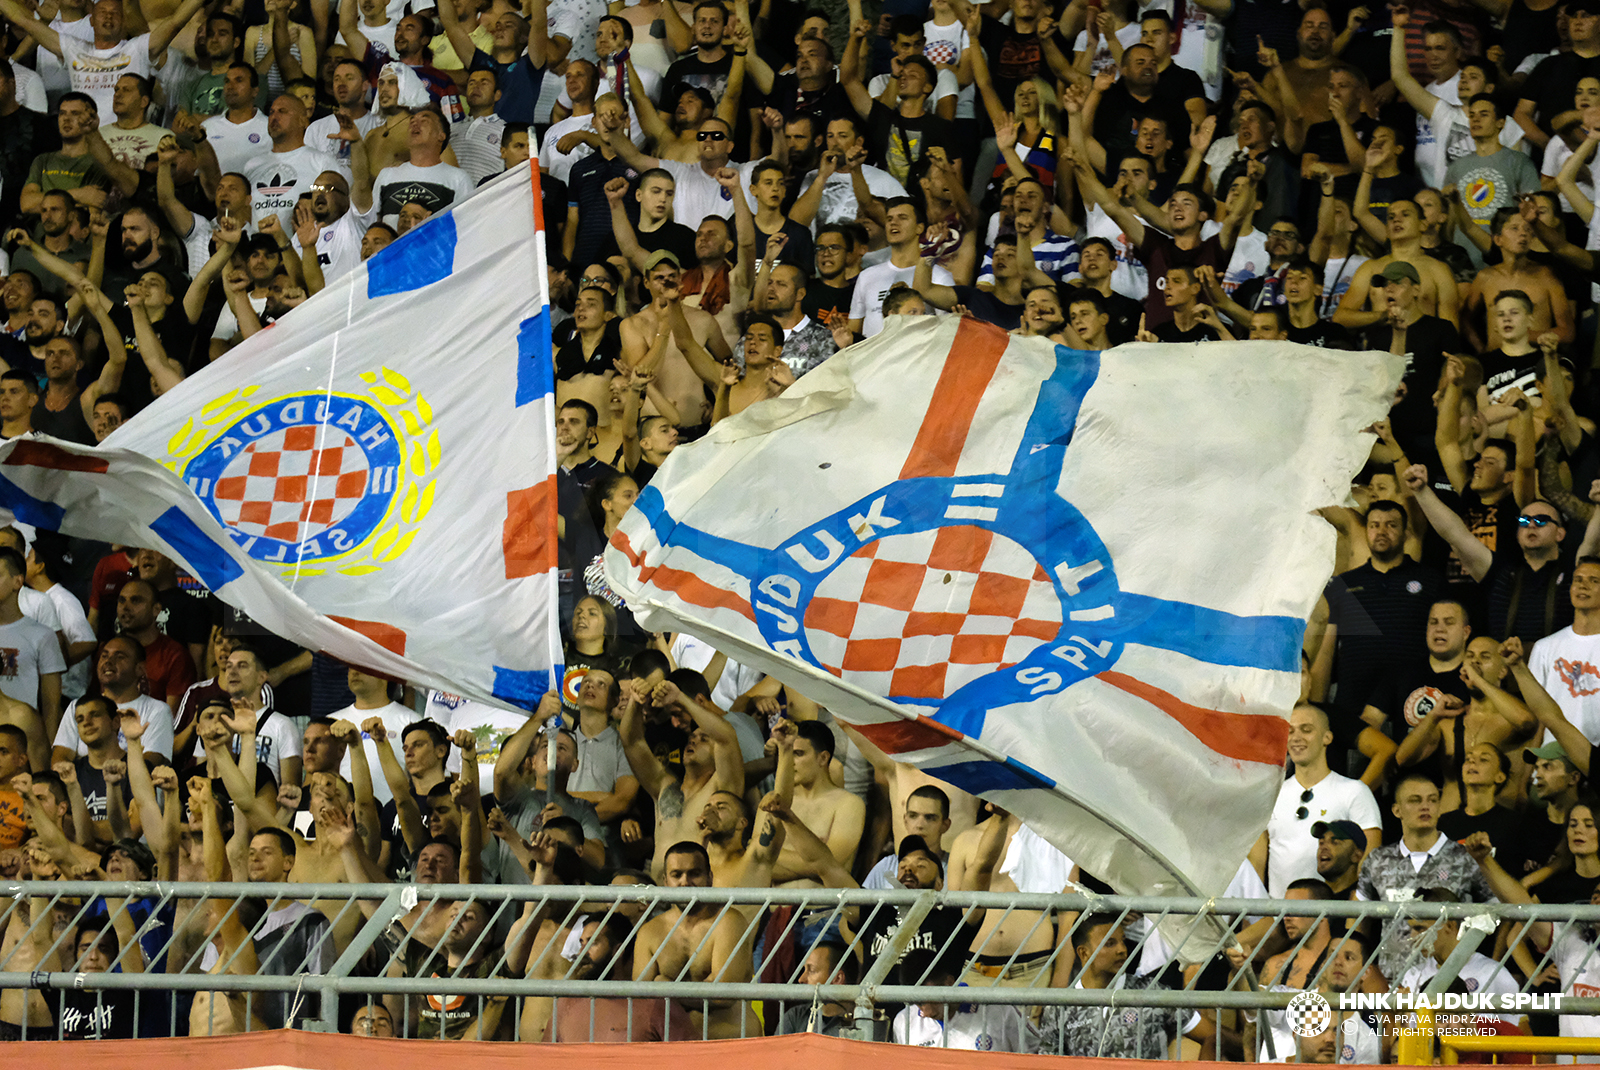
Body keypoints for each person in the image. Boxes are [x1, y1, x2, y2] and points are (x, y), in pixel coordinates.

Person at [1250, 704, 1382, 897]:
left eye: (1307, 729)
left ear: (1327, 737)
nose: (1296, 737)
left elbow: (1368, 860)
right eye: (1291, 731)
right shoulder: (1271, 795)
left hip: (1334, 913)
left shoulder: (1354, 791)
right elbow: (1256, 865)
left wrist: (1353, 919)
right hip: (1281, 918)